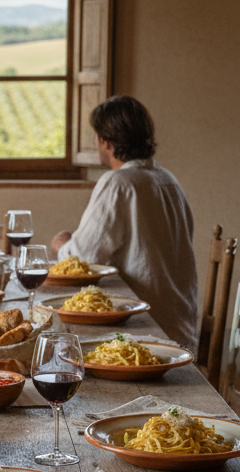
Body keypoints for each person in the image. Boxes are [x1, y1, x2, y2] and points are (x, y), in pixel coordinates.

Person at [50, 95, 198, 351]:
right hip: (181, 326)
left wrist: (62, 245)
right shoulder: (168, 180)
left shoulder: (119, 183)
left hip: (145, 330)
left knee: (60, 342)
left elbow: (81, 260)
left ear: (105, 141)